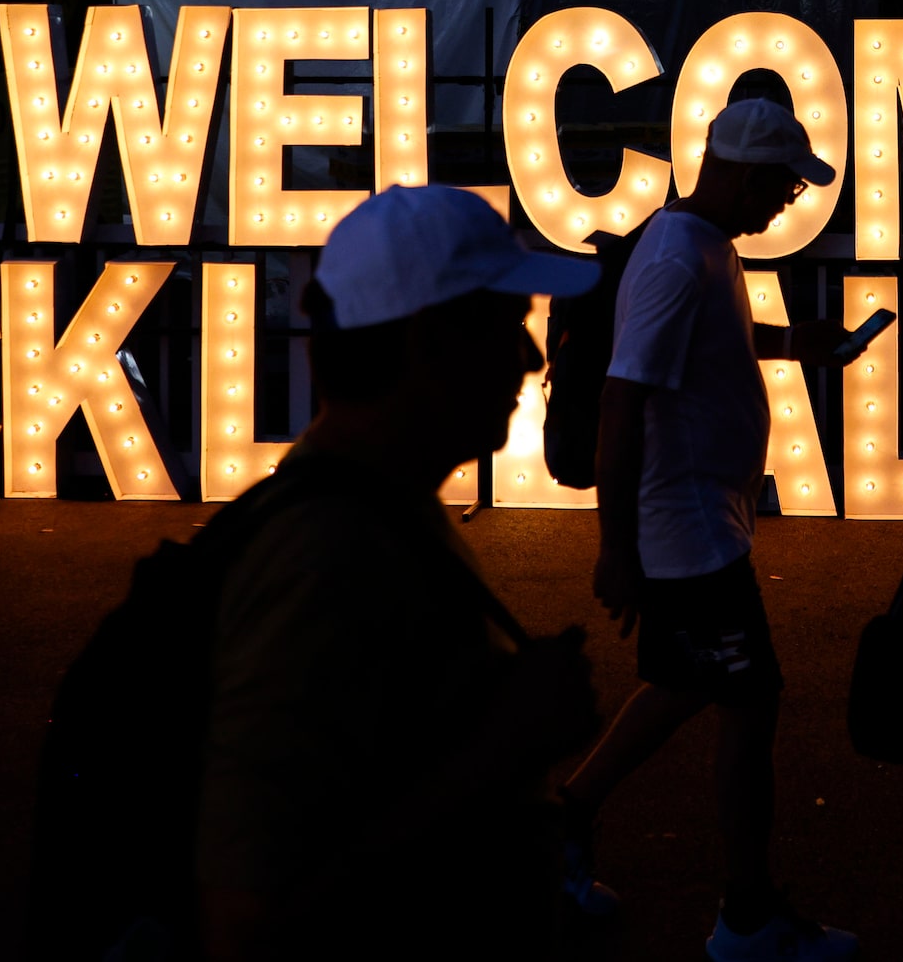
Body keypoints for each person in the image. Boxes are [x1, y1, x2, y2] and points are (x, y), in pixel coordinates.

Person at [196, 184, 603, 960]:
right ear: (431, 343)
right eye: (509, 322)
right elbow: (244, 925)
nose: (531, 356)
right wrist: (505, 743)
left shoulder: (369, 517)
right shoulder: (325, 559)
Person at [560, 98, 864, 961]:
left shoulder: (696, 246)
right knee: (748, 697)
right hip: (687, 528)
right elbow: (625, 397)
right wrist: (616, 547)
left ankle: (568, 817)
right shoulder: (677, 255)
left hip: (693, 519)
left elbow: (693, 352)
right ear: (736, 172)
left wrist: (789, 340)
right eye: (780, 184)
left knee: (686, 680)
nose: (788, 202)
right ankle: (746, 915)